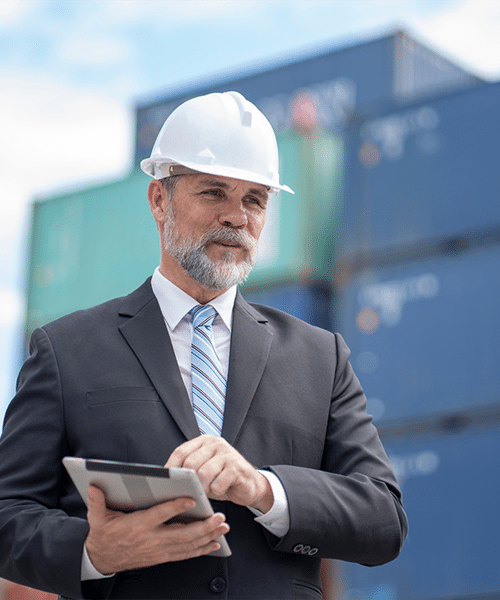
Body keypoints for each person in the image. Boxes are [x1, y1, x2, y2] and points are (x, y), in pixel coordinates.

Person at [0, 91, 407, 600]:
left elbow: (383, 519)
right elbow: (8, 514)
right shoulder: (66, 350)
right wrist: (94, 551)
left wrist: (263, 489)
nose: (236, 217)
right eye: (214, 192)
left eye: (254, 199)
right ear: (158, 200)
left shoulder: (320, 358)